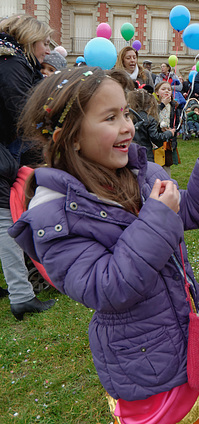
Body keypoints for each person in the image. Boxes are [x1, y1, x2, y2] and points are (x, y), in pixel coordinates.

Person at [10, 67, 199, 423]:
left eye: (127, 113)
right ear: (71, 138)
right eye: (110, 117)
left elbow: (182, 212)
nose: (128, 126)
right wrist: (157, 218)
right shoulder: (55, 217)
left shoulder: (141, 172)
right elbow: (107, 286)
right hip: (146, 367)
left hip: (184, 335)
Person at [0, 14, 56, 318]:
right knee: (4, 218)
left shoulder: (18, 64)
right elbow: (23, 112)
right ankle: (21, 295)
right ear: (28, 39)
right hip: (6, 150)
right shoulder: (12, 65)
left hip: (8, 148)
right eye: (44, 43)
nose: (47, 50)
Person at [127, 88, 175, 163]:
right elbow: (155, 137)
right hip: (145, 154)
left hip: (129, 152)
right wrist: (169, 133)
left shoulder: (128, 117)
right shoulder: (149, 119)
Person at [155, 81, 180, 176]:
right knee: (156, 163)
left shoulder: (174, 106)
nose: (166, 91)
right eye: (163, 89)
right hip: (156, 139)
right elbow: (152, 117)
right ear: (157, 92)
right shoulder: (154, 104)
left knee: (167, 163)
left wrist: (173, 130)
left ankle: (167, 180)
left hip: (168, 140)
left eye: (169, 89)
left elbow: (177, 123)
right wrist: (162, 105)